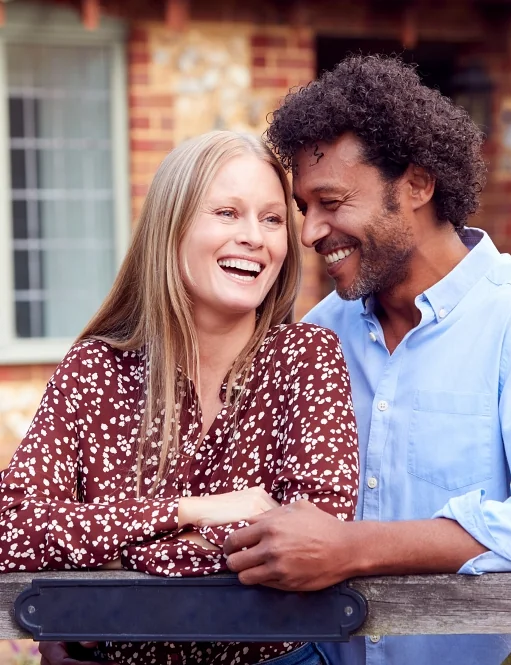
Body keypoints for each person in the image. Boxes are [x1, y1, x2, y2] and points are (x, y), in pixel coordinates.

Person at [219, 55, 511, 665]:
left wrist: (355, 548)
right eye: (304, 208)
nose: (309, 233)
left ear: (417, 184)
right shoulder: (318, 335)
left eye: (331, 201)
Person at [0, 131, 359, 665]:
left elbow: (318, 527)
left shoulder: (305, 357)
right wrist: (191, 512)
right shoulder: (97, 369)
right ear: (171, 228)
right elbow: (15, 530)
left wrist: (111, 554)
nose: (254, 238)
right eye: (227, 213)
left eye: (271, 219)